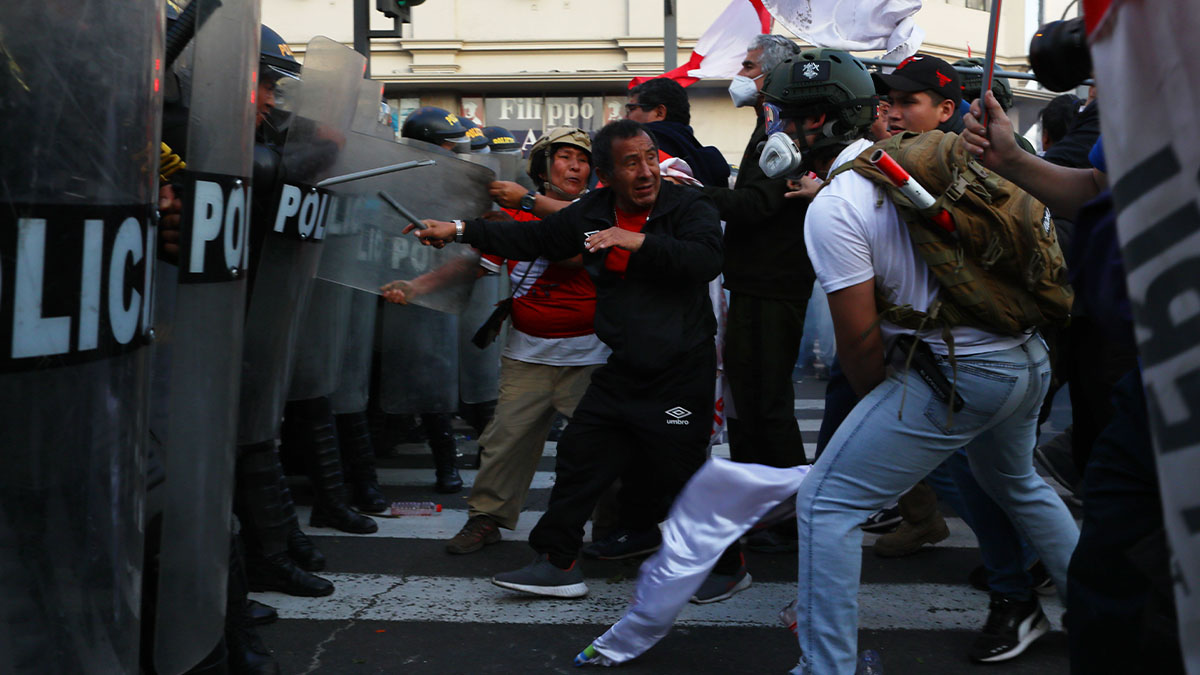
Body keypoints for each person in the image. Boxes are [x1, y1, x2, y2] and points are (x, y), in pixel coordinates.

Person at [770, 49, 1080, 673]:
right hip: (1027, 360)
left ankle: (825, 666)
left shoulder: (836, 203)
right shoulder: (923, 165)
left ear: (813, 125)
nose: (779, 129)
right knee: (1015, 482)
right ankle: (1104, 617)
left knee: (825, 505)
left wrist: (881, 404)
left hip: (959, 378)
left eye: (785, 118)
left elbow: (858, 345)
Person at [407, 119, 723, 598]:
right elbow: (533, 239)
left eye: (650, 158)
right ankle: (557, 561)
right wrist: (455, 229)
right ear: (607, 174)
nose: (645, 172)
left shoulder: (687, 204)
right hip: (624, 368)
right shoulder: (593, 210)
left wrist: (634, 240)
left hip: (680, 371)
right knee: (580, 456)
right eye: (630, 163)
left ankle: (725, 567)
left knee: (679, 472)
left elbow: (704, 259)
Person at [384, 128, 608, 555]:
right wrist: (417, 286)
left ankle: (614, 527)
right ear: (543, 167)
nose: (576, 166)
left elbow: (571, 250)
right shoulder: (514, 219)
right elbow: (473, 267)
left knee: (603, 449)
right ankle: (486, 519)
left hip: (591, 357)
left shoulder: (596, 212)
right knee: (504, 444)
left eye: (582, 159)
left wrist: (522, 206)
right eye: (564, 157)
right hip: (527, 355)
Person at [691, 34, 813, 604]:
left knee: (764, 399)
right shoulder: (773, 123)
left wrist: (696, 195)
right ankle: (761, 505)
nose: (739, 72)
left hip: (773, 281)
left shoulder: (784, 127)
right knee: (749, 396)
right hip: (758, 279)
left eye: (748, 65)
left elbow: (761, 203)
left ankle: (785, 515)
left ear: (776, 73)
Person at [625, 77, 730, 188]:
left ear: (659, 112)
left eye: (631, 109)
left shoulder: (640, 147)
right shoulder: (707, 160)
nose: (625, 117)